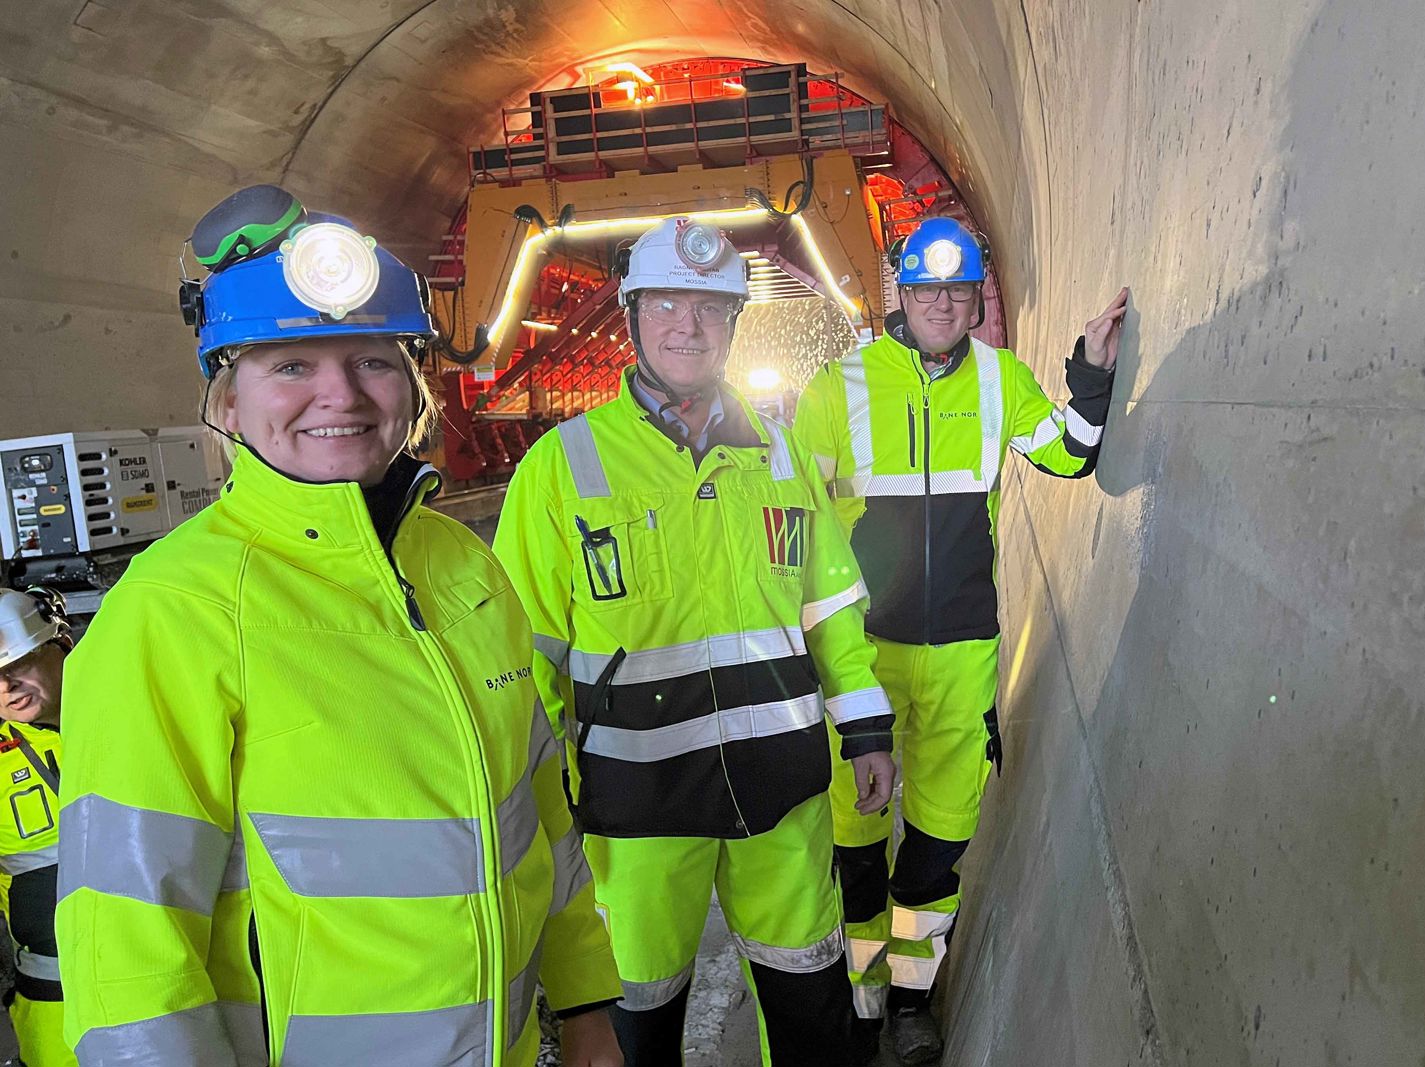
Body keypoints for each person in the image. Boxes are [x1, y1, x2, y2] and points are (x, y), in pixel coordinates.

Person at [55, 184, 623, 1067]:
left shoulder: (464, 567)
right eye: (291, 365)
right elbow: (125, 943)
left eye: (371, 360)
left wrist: (586, 997)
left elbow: (540, 813)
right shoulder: (173, 609)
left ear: (413, 387)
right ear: (227, 402)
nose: (341, 395)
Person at [494, 216, 897, 1066]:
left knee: (811, 1004)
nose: (689, 324)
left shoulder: (781, 456)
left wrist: (865, 728)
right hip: (637, 813)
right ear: (633, 316)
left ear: (734, 320)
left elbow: (829, 608)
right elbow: (523, 656)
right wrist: (536, 802)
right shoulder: (562, 468)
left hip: (782, 794)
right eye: (667, 304)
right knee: (635, 1023)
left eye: (711, 306)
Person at [793, 215, 1129, 1063]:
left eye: (958, 290)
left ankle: (911, 997)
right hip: (862, 659)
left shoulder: (1000, 379)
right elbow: (796, 526)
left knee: (936, 850)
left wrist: (1091, 373)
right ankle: (864, 994)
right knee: (854, 846)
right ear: (901, 296)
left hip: (962, 654)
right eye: (926, 289)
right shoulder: (838, 389)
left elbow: (1069, 455)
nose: (941, 304)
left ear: (977, 299)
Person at [0, 586, 76, 1067]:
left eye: (17, 663)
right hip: (53, 1011)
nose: (5, 687)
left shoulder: (137, 715)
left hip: (177, 979)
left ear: (60, 643)